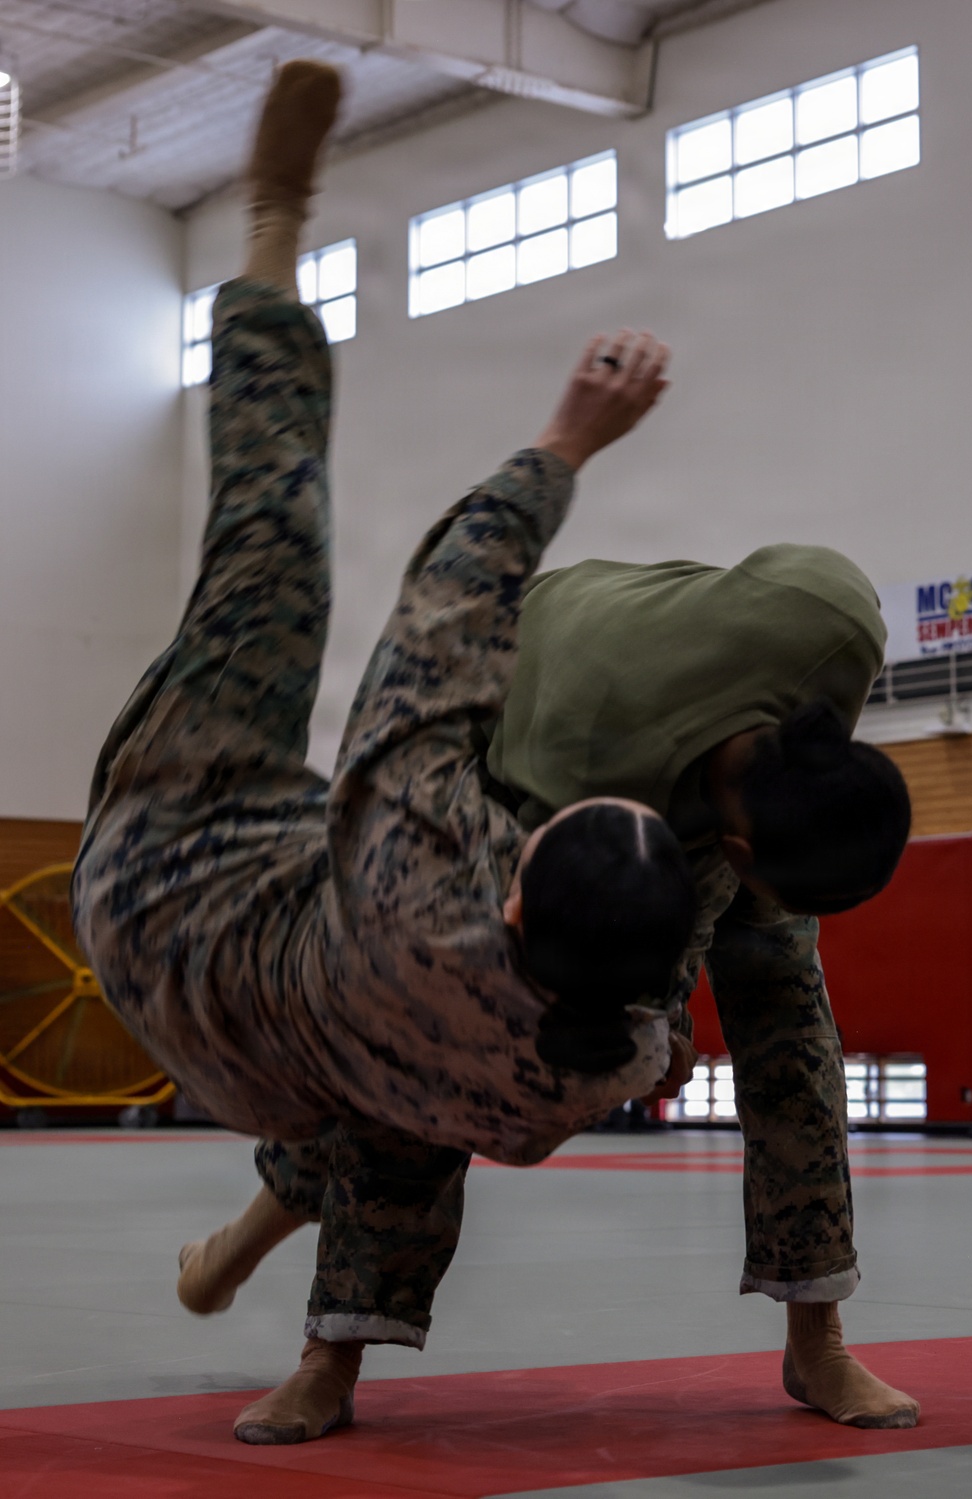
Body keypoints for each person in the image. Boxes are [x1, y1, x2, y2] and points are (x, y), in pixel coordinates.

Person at [169, 78, 920, 1444]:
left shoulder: (830, 631)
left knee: (793, 1036)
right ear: (733, 851)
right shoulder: (575, 753)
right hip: (537, 739)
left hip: (704, 761)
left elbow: (755, 613)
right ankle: (325, 1345)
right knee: (447, 1047)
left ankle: (820, 1338)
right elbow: (455, 612)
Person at [71, 61, 704, 1442]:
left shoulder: (424, 871)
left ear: (520, 891)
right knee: (409, 1109)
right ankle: (258, 1286)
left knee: (273, 550)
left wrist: (568, 444)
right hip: (290, 1056)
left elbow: (438, 621)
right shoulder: (602, 1067)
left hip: (177, 877)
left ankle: (268, 233)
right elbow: (656, 1019)